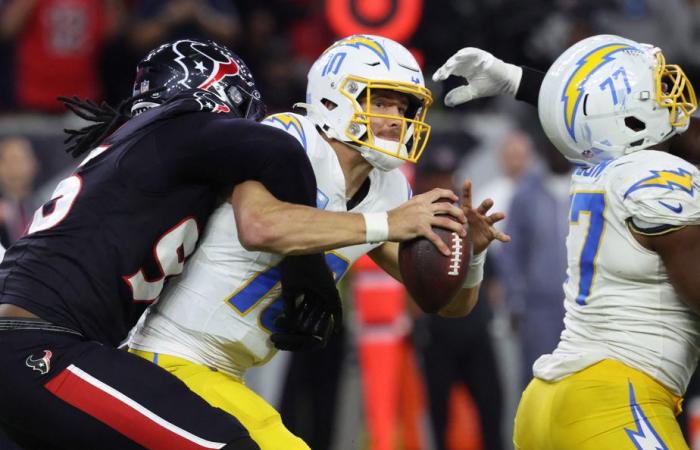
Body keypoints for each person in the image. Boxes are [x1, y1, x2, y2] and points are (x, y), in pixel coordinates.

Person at [126, 34, 511, 450]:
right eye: (381, 102)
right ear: (332, 98)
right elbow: (261, 226)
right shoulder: (289, 138)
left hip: (224, 371)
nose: (395, 119)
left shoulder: (387, 188)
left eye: (403, 107)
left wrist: (470, 255)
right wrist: (385, 223)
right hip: (170, 354)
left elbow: (446, 303)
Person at [0, 38, 355, 450]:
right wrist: (306, 276)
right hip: (42, 349)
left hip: (33, 347)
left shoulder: (134, 146)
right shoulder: (178, 126)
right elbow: (281, 151)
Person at [434, 34, 700, 449]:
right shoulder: (661, 177)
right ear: (631, 115)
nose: (670, 94)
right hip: (616, 405)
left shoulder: (600, 169)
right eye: (656, 87)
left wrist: (516, 80)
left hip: (549, 403)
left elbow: (587, 106)